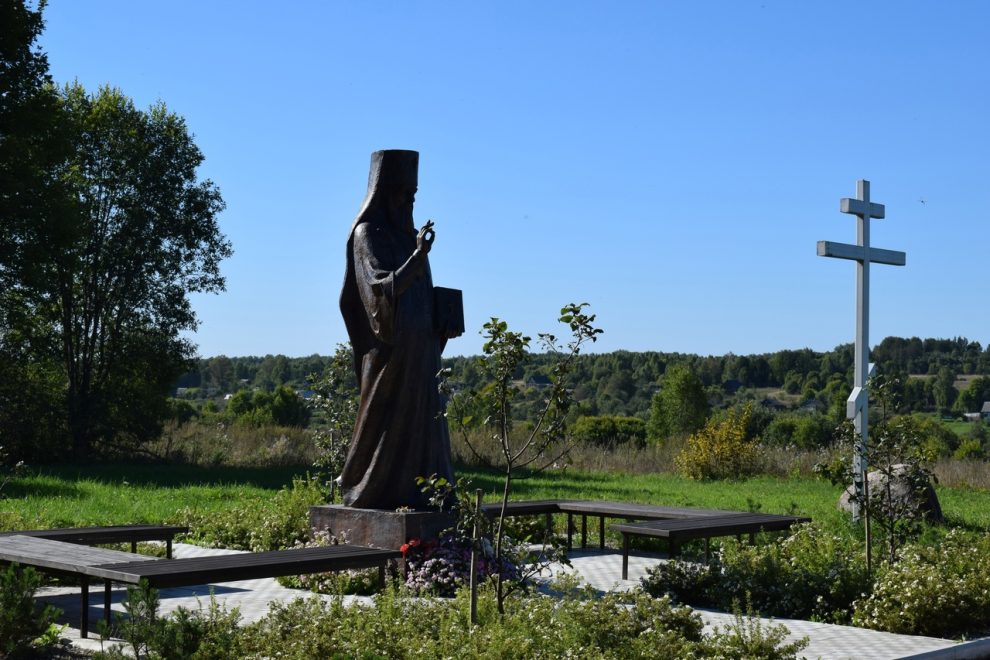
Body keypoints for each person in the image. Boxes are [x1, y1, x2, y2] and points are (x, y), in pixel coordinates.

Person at [338, 150, 456, 509]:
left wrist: (443, 319)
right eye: (404, 193)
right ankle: (363, 488)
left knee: (425, 425)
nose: (409, 201)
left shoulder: (409, 238)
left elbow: (420, 295)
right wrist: (418, 257)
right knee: (382, 423)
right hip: (390, 356)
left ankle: (429, 496)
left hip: (422, 351)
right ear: (384, 191)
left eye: (413, 194)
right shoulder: (367, 234)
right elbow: (378, 289)